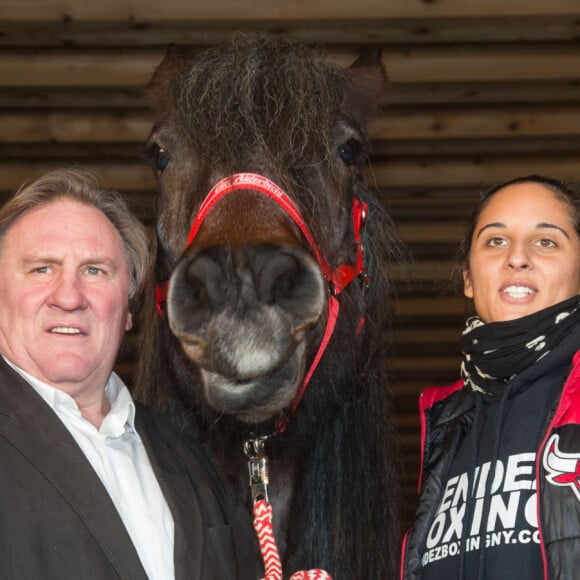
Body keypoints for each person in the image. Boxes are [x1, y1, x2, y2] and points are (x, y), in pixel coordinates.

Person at [0, 168, 246, 579]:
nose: (68, 296)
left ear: (129, 309)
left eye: (95, 270)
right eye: (42, 268)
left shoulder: (188, 453)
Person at [400, 175, 580, 580]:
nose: (517, 258)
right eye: (495, 241)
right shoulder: (444, 424)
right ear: (467, 277)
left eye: (546, 241)